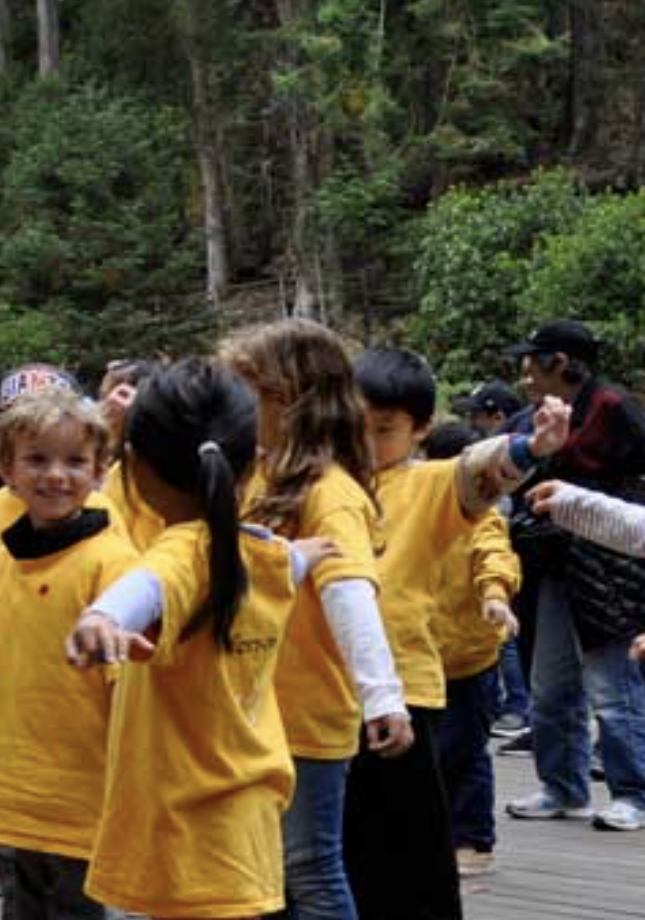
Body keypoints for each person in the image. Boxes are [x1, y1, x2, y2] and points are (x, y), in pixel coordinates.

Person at [61, 359, 306, 920]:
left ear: (138, 468)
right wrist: (305, 559)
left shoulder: (185, 551)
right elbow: (286, 564)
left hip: (184, 835)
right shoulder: (263, 552)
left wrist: (100, 619)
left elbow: (143, 589)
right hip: (250, 827)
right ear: (252, 466)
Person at [347, 348, 567, 918]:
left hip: (406, 686)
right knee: (347, 838)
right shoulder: (327, 484)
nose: (367, 442)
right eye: (354, 426)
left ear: (420, 430)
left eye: (384, 430)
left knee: (415, 834)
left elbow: (480, 473)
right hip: (329, 691)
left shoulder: (427, 483)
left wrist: (531, 447)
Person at [219, 319, 409, 920]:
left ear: (291, 399)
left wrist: (382, 695)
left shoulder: (330, 491)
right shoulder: (252, 476)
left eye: (250, 390)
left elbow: (349, 591)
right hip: (249, 712)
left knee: (310, 868)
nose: (238, 404)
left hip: (306, 716)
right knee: (257, 869)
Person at [0, 389, 136, 919]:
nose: (56, 476)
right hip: (10, 791)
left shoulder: (112, 565)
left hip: (81, 796)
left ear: (100, 469)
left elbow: (132, 692)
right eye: (37, 459)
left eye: (74, 461)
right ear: (6, 469)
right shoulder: (4, 557)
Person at [502, 319, 645, 832]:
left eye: (533, 361)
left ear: (560, 363)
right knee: (550, 684)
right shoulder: (537, 415)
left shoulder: (609, 405)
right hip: (553, 563)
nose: (525, 373)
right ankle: (562, 787)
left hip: (609, 564)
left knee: (611, 683)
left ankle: (632, 795)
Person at [416, 422, 522, 878]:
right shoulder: (415, 506)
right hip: (422, 656)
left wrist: (496, 594)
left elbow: (494, 553)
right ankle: (433, 839)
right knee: (431, 754)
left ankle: (474, 840)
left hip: (471, 656)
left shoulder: (483, 514)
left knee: (466, 751)